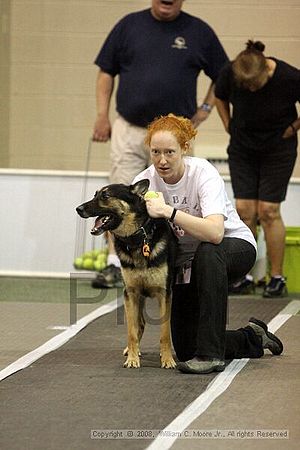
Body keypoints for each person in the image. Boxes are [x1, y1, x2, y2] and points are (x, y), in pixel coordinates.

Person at [91, 0, 229, 288]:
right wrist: (102, 115)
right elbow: (106, 72)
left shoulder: (198, 31)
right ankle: (116, 262)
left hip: (173, 136)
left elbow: (223, 75)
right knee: (116, 196)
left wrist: (205, 108)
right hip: (129, 128)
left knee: (181, 197)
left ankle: (181, 262)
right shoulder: (129, 25)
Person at [132, 113, 283, 374]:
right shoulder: (143, 182)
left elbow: (215, 233)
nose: (162, 160)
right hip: (185, 265)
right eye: (156, 152)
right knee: (187, 348)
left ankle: (211, 356)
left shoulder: (203, 173)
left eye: (170, 152)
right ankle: (252, 337)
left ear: (184, 149)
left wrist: (169, 211)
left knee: (208, 251)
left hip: (234, 248)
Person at [214, 40, 300, 297]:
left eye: (255, 84)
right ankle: (244, 276)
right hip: (243, 147)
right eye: (245, 85)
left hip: (278, 148)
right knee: (244, 211)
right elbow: (219, 97)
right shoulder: (230, 72)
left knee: (269, 211)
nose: (250, 89)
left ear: (266, 71)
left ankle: (276, 277)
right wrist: (228, 124)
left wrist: (293, 127)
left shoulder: (289, 77)